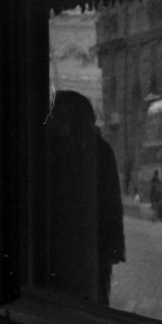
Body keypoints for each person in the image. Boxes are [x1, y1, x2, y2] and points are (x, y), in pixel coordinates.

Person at [44, 90, 125, 305]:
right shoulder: (96, 149)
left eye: (57, 114)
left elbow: (111, 204)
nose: (52, 119)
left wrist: (112, 247)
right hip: (77, 250)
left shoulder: (93, 151)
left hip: (86, 249)